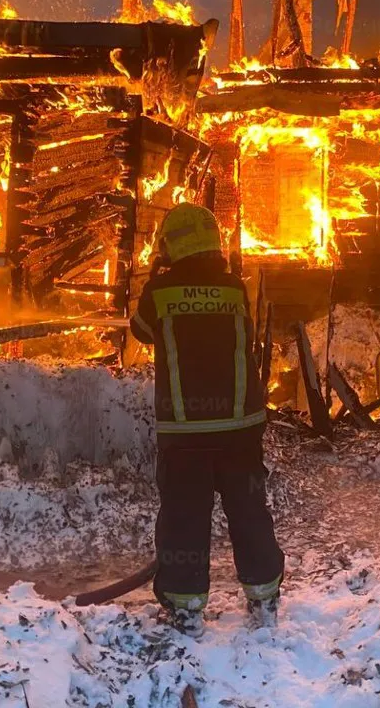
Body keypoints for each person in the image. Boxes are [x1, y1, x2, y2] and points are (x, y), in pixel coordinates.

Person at [129, 203, 285, 637]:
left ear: (168, 246)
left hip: (186, 430)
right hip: (240, 425)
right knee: (249, 511)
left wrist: (159, 276)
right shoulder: (235, 288)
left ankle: (185, 608)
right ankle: (264, 596)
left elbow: (141, 330)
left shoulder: (159, 292)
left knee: (185, 516)